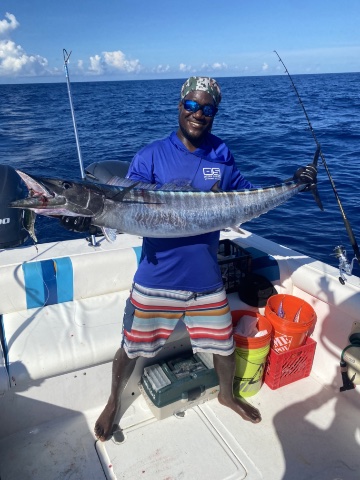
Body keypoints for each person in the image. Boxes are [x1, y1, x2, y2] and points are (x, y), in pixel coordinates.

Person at [63, 76, 317, 441]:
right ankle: (112, 402)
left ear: (214, 112)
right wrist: (87, 219)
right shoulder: (150, 155)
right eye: (192, 105)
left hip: (206, 278)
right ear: (180, 105)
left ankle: (228, 396)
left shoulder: (221, 153)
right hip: (156, 277)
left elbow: (246, 195)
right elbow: (123, 208)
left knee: (224, 345)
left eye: (207, 108)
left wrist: (293, 183)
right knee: (131, 346)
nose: (198, 113)